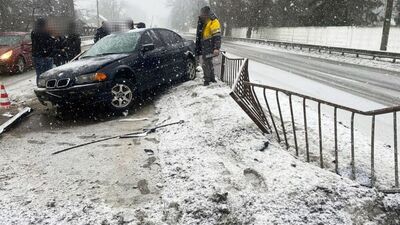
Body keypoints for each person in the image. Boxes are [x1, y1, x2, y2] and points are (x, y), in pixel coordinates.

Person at [196, 6, 222, 86]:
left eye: (202, 14)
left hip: (210, 47)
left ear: (206, 13)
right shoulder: (206, 21)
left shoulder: (214, 21)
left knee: (205, 63)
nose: (201, 15)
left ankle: (207, 81)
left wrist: (216, 48)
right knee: (208, 63)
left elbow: (217, 35)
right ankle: (212, 79)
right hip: (206, 46)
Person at [31, 18, 55, 85]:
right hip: (46, 56)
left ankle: (40, 85)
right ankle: (48, 86)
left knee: (39, 74)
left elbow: (36, 43)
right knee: (48, 73)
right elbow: (50, 43)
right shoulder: (46, 32)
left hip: (36, 56)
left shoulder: (34, 32)